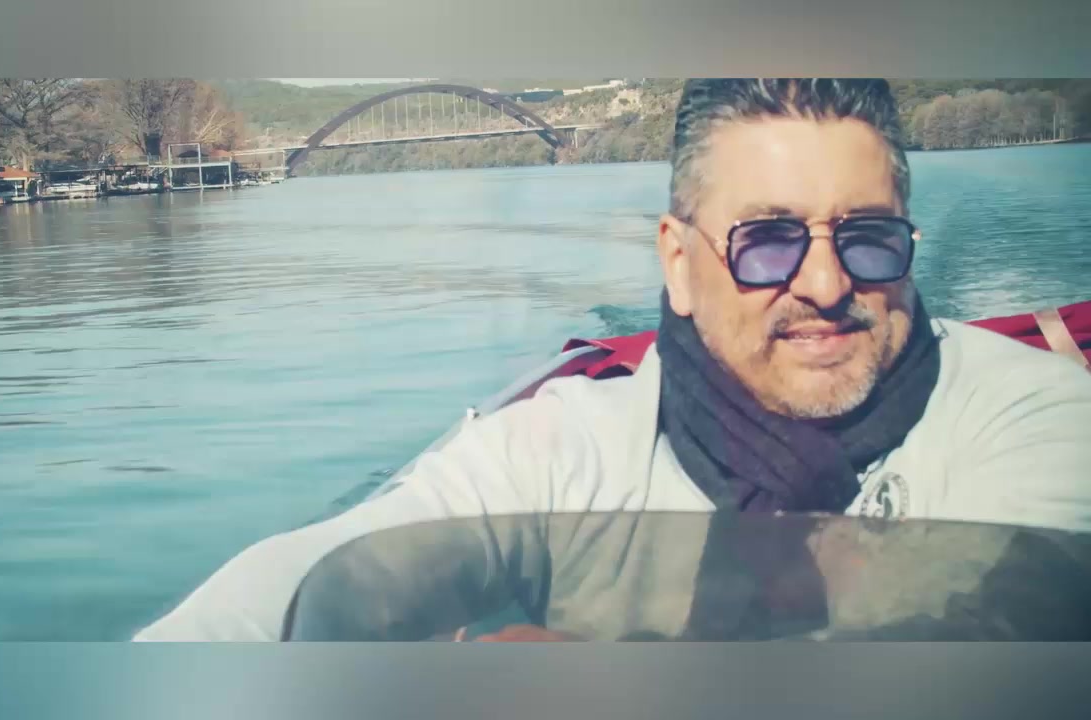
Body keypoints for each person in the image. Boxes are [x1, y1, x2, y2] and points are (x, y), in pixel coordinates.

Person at [135, 79, 1091, 641]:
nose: (826, 282)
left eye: (868, 236)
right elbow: (297, 588)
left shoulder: (1038, 420)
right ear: (677, 265)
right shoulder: (562, 453)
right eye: (766, 241)